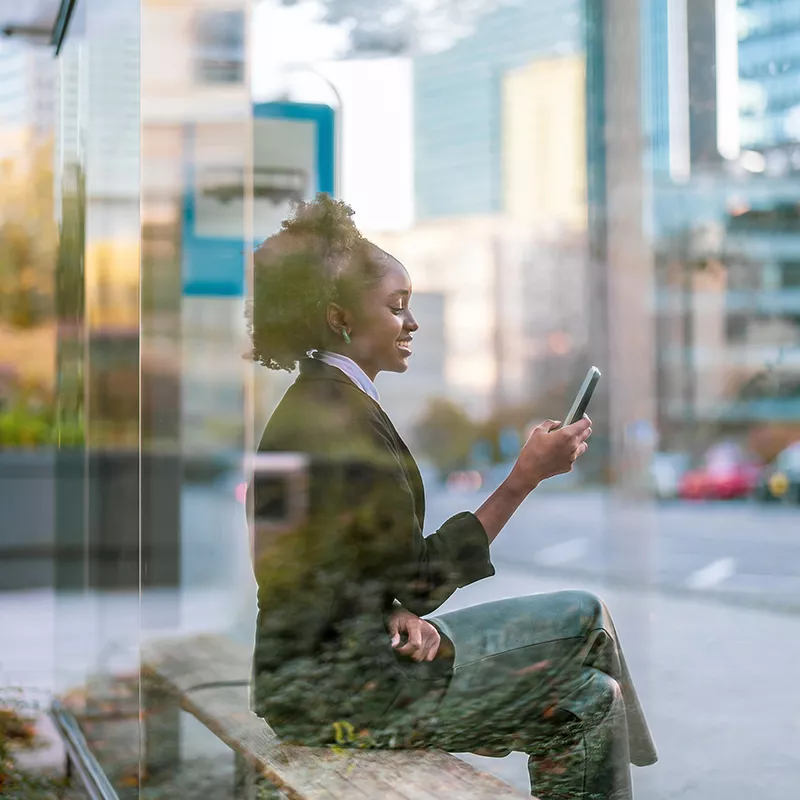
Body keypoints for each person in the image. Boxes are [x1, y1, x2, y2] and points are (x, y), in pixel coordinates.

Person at [245, 194, 657, 799]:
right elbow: (420, 580)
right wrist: (523, 479)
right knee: (584, 616)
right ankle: (645, 765)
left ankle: (624, 746)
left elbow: (300, 559)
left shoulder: (311, 406)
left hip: (311, 682)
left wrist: (382, 608)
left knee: (588, 699)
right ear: (340, 318)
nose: (412, 324)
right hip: (351, 694)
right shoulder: (342, 421)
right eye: (396, 307)